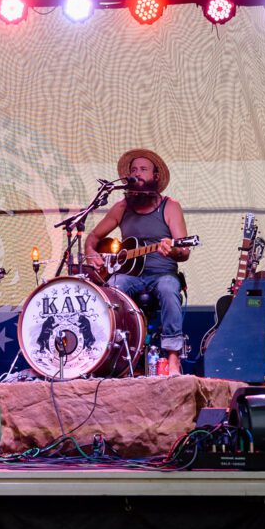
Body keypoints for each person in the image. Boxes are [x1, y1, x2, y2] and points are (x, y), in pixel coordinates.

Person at [83, 148, 192, 375]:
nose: (138, 174)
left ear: (155, 176)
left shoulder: (170, 206)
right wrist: (91, 251)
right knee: (112, 287)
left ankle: (173, 358)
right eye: (134, 170)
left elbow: (184, 251)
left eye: (143, 169)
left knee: (169, 288)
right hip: (131, 274)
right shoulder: (122, 207)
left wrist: (172, 251)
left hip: (162, 274)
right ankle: (112, 355)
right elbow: (93, 236)